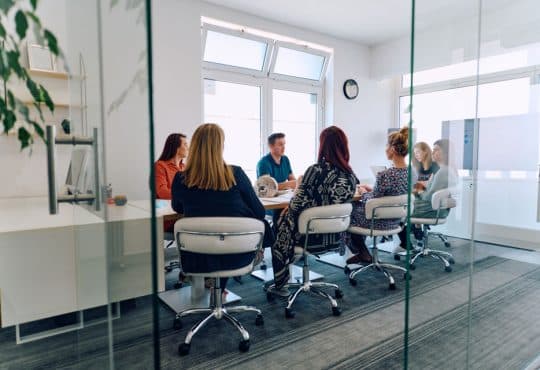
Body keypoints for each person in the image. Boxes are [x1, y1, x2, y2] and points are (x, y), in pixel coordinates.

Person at [171, 123, 274, 292]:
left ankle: (212, 284)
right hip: (240, 254)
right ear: (220, 147)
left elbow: (177, 208)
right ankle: (219, 288)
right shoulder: (236, 174)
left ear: (195, 147)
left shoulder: (181, 178)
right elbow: (260, 212)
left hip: (197, 256)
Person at [269, 126, 357, 296]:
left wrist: (296, 194)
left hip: (309, 237)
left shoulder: (315, 171)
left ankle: (281, 285)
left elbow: (296, 206)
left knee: (278, 227)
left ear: (323, 146)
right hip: (334, 236)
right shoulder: (350, 176)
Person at [345, 127, 410, 265]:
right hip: (396, 221)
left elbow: (373, 199)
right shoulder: (412, 173)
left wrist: (363, 192)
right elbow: (385, 195)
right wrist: (371, 190)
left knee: (349, 211)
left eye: (386, 145)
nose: (385, 149)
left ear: (392, 149)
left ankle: (363, 253)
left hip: (379, 221)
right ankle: (363, 253)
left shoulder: (385, 175)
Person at [398, 138, 457, 246]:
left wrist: (418, 192)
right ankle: (410, 239)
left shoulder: (443, 171)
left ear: (446, 153)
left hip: (432, 209)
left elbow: (429, 197)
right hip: (436, 208)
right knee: (402, 205)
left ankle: (406, 245)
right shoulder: (444, 170)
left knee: (397, 210)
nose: (432, 152)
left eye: (436, 150)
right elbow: (430, 193)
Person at [155, 133, 188, 231]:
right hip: (170, 219)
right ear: (176, 148)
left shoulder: (186, 167)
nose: (188, 147)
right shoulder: (160, 166)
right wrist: (188, 196)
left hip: (184, 215)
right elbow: (162, 192)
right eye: (185, 144)